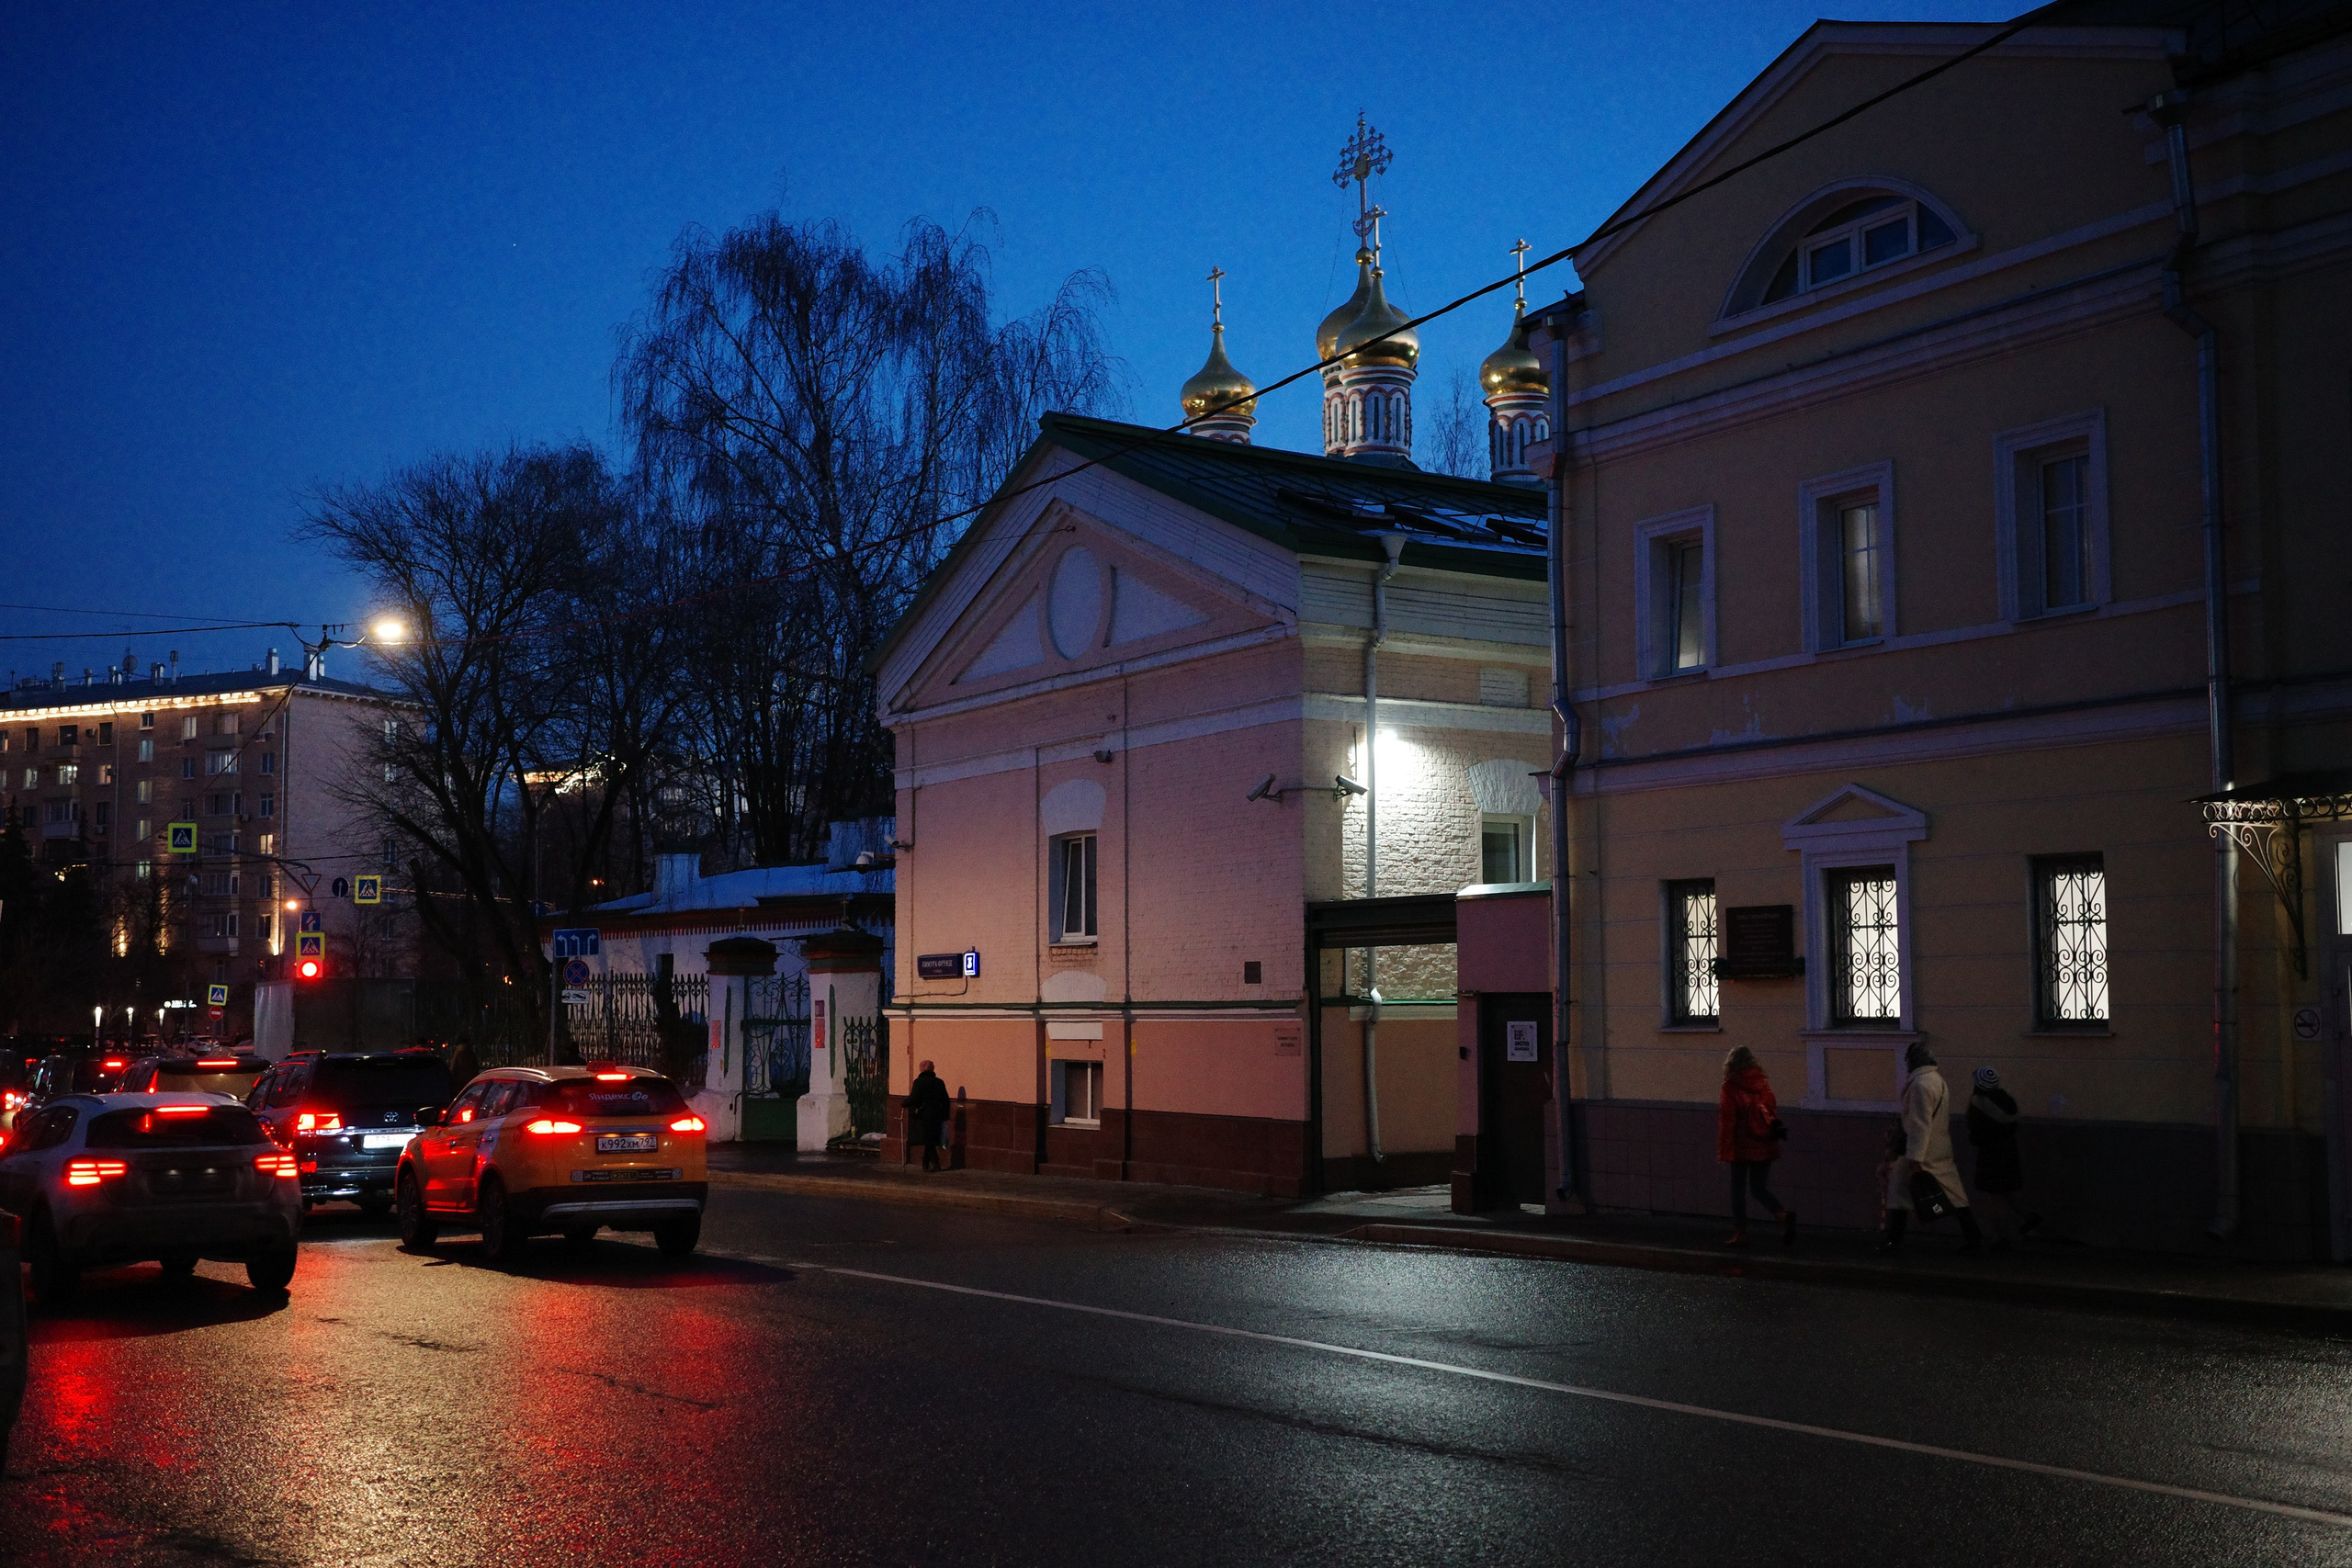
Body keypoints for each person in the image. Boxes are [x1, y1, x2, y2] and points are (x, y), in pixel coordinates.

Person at [1884, 1042, 1983, 1253]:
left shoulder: (1920, 1084)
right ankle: (1974, 1238)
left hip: (1921, 1151)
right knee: (1954, 1195)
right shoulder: (1937, 1081)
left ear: (1913, 1061)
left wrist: (1914, 1158)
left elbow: (1920, 1123)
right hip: (1939, 1147)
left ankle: (1893, 1242)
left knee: (1899, 1195)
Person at [1717, 1045, 1795, 1247]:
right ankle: (1781, 1213)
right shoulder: (1763, 1084)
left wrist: (1725, 1151)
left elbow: (1728, 1122)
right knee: (1759, 1188)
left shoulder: (1730, 1087)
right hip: (1764, 1143)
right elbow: (1771, 1112)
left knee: (1738, 1190)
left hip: (1741, 1146)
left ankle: (1740, 1232)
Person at [1967, 1067, 2041, 1247]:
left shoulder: (1979, 1103)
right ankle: (2030, 1218)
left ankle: (2003, 1236)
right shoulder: (2008, 1101)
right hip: (2009, 1151)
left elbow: (1976, 1132)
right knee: (2010, 1190)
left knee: (1995, 1197)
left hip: (1990, 1153)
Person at [906, 1059, 951, 1172]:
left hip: (923, 1115)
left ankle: (935, 1162)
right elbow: (945, 1100)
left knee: (927, 1139)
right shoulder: (939, 1082)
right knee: (930, 1138)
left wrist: (904, 1103)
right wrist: (945, 1115)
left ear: (921, 1069)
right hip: (937, 1115)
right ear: (933, 1069)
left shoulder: (919, 1082)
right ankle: (925, 1162)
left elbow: (914, 1097)